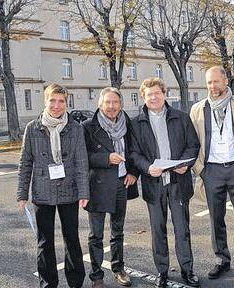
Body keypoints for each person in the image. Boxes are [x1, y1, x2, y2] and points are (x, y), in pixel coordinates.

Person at [189, 66, 234, 284]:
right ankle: (222, 259)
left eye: (216, 82)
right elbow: (192, 143)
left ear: (226, 81)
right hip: (212, 171)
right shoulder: (198, 109)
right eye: (209, 83)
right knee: (215, 220)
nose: (212, 86)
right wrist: (200, 169)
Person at [129, 77, 200, 288]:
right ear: (144, 97)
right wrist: (146, 167)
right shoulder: (136, 123)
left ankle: (187, 270)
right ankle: (162, 271)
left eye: (157, 93)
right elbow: (133, 152)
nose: (153, 97)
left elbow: (193, 146)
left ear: (164, 94)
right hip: (153, 183)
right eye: (149, 94)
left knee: (182, 229)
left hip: (178, 181)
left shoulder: (181, 117)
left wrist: (186, 164)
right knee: (158, 230)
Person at [17, 83, 89, 288]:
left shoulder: (75, 127)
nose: (57, 105)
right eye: (52, 100)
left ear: (66, 103)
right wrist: (22, 193)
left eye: (61, 101)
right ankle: (48, 283)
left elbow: (81, 162)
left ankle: (75, 281)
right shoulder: (33, 128)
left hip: (69, 189)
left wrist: (84, 192)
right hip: (42, 191)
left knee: (72, 239)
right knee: (44, 241)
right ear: (45, 101)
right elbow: (25, 162)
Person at [81, 87, 139, 288]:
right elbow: (83, 158)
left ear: (121, 104)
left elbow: (134, 150)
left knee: (118, 231)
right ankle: (97, 276)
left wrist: (133, 172)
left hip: (121, 183)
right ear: (100, 104)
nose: (112, 107)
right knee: (96, 235)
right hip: (97, 186)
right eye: (108, 103)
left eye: (115, 102)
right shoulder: (88, 127)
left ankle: (118, 268)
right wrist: (106, 158)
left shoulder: (127, 123)